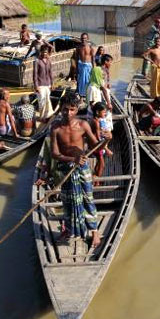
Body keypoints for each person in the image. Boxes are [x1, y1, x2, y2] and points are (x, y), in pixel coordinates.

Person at [50, 93, 102, 248]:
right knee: (68, 201)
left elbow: (95, 146)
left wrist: (106, 140)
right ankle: (69, 229)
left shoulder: (83, 125)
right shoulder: (55, 128)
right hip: (65, 169)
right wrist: (73, 159)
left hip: (82, 168)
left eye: (72, 109)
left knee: (87, 199)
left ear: (77, 109)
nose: (68, 113)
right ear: (61, 109)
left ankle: (94, 232)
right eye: (65, 109)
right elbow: (54, 153)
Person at [90, 101, 113, 179]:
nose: (105, 114)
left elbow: (100, 131)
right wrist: (106, 149)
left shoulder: (100, 119)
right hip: (97, 145)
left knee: (99, 163)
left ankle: (96, 176)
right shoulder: (96, 122)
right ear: (97, 112)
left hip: (101, 144)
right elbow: (97, 137)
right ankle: (97, 180)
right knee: (102, 164)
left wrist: (105, 132)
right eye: (104, 112)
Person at [33, 46, 55, 119]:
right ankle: (42, 116)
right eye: (43, 52)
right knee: (41, 101)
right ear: (41, 52)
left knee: (47, 100)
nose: (45, 54)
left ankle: (48, 115)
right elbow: (35, 74)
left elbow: (50, 73)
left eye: (46, 52)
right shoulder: (37, 61)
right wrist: (36, 86)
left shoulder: (49, 61)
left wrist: (52, 84)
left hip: (48, 83)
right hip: (40, 84)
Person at [76, 33, 94, 97]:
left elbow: (93, 58)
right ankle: (81, 95)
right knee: (81, 81)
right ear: (80, 39)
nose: (83, 39)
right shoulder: (78, 47)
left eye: (85, 38)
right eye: (82, 38)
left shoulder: (90, 47)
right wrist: (76, 69)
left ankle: (88, 95)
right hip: (81, 66)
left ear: (87, 39)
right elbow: (77, 58)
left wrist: (93, 68)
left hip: (88, 66)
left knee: (88, 81)